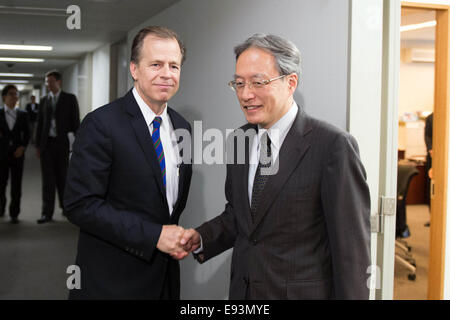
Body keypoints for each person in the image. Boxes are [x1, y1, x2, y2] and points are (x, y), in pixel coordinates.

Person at [181, 34, 371, 299]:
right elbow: (242, 216)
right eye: (238, 84)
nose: (246, 95)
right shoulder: (239, 140)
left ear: (290, 82)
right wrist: (201, 237)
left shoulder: (332, 146)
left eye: (258, 82)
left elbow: (352, 253)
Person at [64, 26, 192, 299]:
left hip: (163, 282)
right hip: (112, 282)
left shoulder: (183, 128)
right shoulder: (101, 124)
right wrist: (154, 235)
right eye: (155, 64)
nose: (167, 74)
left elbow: (166, 208)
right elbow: (79, 205)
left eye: (174, 66)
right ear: (134, 69)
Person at [35, 70, 80, 223]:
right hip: (47, 144)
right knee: (47, 180)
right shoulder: (44, 100)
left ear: (59, 82)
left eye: (51, 81)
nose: (49, 84)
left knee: (63, 178)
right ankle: (46, 213)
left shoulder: (69, 99)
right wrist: (38, 146)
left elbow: (75, 122)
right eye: (47, 82)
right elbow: (40, 124)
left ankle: (66, 209)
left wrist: (79, 144)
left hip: (62, 144)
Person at [0, 85, 30, 224]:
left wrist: (23, 147)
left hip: (18, 155)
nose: (15, 97)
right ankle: (1, 209)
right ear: (4, 97)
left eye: (16, 94)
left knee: (16, 185)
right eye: (12, 94)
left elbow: (28, 134)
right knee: (1, 184)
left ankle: (14, 213)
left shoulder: (23, 115)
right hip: (1, 155)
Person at [424, 112, 433, 227]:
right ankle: (432, 216)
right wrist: (430, 149)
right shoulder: (430, 118)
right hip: (432, 157)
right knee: (431, 187)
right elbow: (427, 136)